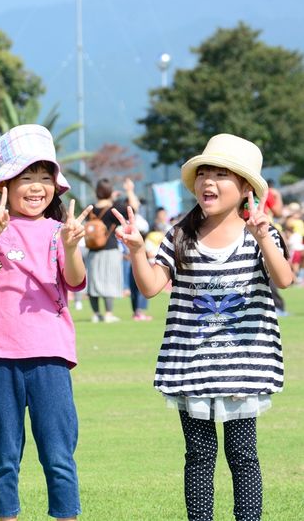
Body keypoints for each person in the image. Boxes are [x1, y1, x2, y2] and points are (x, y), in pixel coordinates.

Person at [112, 134, 294, 521]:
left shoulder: (259, 234)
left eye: (221, 174)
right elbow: (150, 286)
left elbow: (284, 279)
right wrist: (135, 251)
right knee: (198, 456)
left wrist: (264, 236)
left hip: (242, 370)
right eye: (203, 174)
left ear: (245, 188)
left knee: (243, 456)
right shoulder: (180, 235)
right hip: (194, 368)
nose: (208, 182)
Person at [0, 124, 91, 521]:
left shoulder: (57, 231)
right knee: (2, 454)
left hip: (50, 355)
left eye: (44, 178)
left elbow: (75, 280)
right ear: (4, 185)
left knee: (58, 454)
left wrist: (70, 245)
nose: (37, 187)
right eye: (26, 177)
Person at [86, 177, 139, 323]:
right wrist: (129, 190)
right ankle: (109, 313)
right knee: (108, 281)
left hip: (92, 250)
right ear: (110, 192)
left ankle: (96, 314)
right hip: (110, 250)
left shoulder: (91, 208)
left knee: (93, 283)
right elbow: (133, 209)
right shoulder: (114, 209)